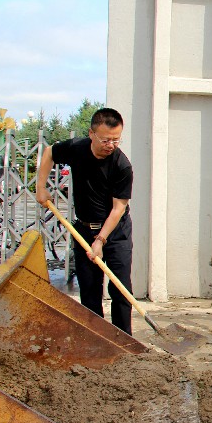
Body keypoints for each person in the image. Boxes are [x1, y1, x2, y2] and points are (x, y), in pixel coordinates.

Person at [36, 108, 134, 334]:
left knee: (120, 287)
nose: (111, 145)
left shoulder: (122, 165)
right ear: (91, 133)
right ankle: (95, 336)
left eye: (116, 140)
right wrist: (41, 187)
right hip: (83, 230)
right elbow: (50, 151)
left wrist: (100, 240)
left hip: (115, 232)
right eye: (106, 139)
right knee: (89, 289)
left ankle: (123, 339)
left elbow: (118, 209)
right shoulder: (76, 149)